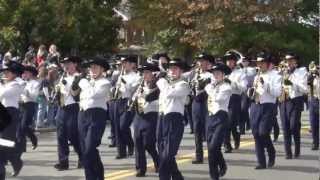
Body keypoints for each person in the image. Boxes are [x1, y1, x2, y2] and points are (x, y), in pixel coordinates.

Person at [75, 57, 111, 180]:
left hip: (96, 116)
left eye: (96, 67)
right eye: (91, 67)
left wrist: (83, 83)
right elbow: (77, 96)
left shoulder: (105, 83)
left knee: (90, 147)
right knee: (85, 150)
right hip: (82, 115)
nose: (92, 70)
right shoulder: (87, 82)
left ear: (102, 70)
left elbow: (94, 94)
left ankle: (99, 176)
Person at [156, 58, 190, 180]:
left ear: (181, 71)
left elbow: (168, 93)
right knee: (163, 152)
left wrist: (161, 80)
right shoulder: (167, 83)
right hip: (162, 118)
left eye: (176, 68)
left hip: (174, 119)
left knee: (167, 155)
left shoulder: (183, 84)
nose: (172, 71)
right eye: (171, 68)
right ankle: (177, 176)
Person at [248, 52, 281, 169]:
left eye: (262, 62)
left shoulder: (275, 75)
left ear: (267, 63)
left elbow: (277, 93)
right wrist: (251, 92)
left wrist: (265, 84)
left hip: (268, 106)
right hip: (256, 105)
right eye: (258, 63)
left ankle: (271, 152)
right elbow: (255, 91)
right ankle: (261, 162)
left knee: (263, 133)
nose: (259, 65)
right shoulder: (256, 75)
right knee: (256, 134)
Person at [54, 56, 82, 170]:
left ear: (75, 64)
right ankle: (63, 162)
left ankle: (82, 157)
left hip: (73, 108)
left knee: (73, 135)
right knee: (61, 136)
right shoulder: (63, 77)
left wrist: (66, 84)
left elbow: (76, 94)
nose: (66, 66)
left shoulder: (79, 78)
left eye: (69, 63)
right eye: (65, 64)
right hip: (62, 108)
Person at [132, 62, 160, 177]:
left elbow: (161, 102)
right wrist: (133, 100)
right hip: (139, 116)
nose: (145, 75)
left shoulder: (159, 86)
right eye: (144, 73)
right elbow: (134, 97)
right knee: (138, 142)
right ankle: (140, 168)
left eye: (147, 72)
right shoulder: (141, 85)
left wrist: (149, 101)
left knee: (148, 143)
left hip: (151, 116)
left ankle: (158, 160)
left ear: (154, 74)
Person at [205, 63, 232, 180]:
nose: (215, 75)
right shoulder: (210, 86)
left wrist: (210, 88)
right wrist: (210, 87)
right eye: (214, 73)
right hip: (210, 117)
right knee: (211, 148)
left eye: (218, 73)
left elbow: (218, 98)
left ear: (223, 75)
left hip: (221, 117)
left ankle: (221, 166)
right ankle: (214, 174)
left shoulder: (227, 87)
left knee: (214, 146)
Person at [279, 52, 308, 159]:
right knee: (285, 128)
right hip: (283, 101)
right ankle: (288, 153)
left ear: (295, 61)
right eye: (287, 61)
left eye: (291, 60)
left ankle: (297, 149)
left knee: (293, 126)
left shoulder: (301, 71)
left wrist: (292, 84)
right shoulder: (283, 71)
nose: (289, 62)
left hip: (295, 101)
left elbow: (304, 89)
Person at [0, 60, 26, 177]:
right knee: (4, 143)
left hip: (10, 114)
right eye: (4, 72)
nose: (5, 74)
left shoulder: (16, 85)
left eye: (8, 72)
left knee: (5, 143)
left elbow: (2, 94)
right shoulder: (6, 83)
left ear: (15, 73)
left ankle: (15, 162)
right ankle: (15, 162)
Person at [113, 56, 140, 159]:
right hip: (118, 100)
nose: (123, 65)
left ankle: (130, 143)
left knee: (123, 126)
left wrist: (123, 82)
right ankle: (121, 152)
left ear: (132, 64)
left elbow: (133, 90)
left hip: (128, 101)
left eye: (126, 63)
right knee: (117, 127)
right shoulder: (119, 75)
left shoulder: (136, 76)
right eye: (122, 63)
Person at [190, 53, 213, 164]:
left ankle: (212, 154)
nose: (200, 63)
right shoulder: (194, 74)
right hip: (196, 103)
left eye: (203, 61)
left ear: (207, 63)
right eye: (199, 61)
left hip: (206, 103)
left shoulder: (211, 75)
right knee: (197, 131)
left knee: (208, 130)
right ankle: (199, 156)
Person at [223, 51, 248, 153]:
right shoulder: (222, 72)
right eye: (227, 61)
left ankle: (236, 135)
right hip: (223, 98)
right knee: (224, 123)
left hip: (234, 98)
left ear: (235, 62)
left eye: (231, 61)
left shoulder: (240, 73)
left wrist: (232, 83)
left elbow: (243, 87)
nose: (229, 63)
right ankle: (227, 145)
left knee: (231, 123)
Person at [20, 65, 40, 149]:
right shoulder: (22, 82)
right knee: (19, 126)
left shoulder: (36, 83)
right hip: (20, 105)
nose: (24, 74)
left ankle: (33, 139)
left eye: (26, 73)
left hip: (29, 105)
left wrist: (24, 90)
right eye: (24, 73)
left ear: (31, 74)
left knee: (24, 125)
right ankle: (21, 145)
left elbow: (34, 96)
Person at [307, 61, 319, 150]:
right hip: (313, 100)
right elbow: (307, 85)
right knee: (313, 123)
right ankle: (315, 142)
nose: (316, 70)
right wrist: (311, 75)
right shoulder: (312, 76)